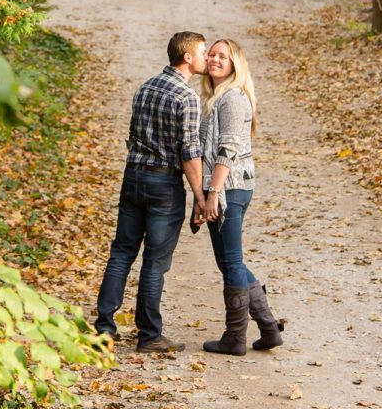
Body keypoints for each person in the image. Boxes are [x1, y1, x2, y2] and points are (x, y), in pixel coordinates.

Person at [95, 31, 208, 353]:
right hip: (163, 185)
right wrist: (200, 195)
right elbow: (189, 151)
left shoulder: (146, 87)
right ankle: (149, 335)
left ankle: (104, 328)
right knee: (155, 262)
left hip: (133, 177)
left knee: (121, 253)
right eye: (202, 52)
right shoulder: (186, 98)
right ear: (187, 57)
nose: (205, 57)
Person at [194, 38, 283, 356]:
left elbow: (228, 149)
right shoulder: (214, 96)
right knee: (228, 260)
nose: (215, 60)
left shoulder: (231, 97)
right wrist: (201, 195)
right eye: (212, 55)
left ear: (235, 64)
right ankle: (269, 328)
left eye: (223, 56)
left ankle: (235, 337)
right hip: (223, 186)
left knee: (231, 260)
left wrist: (214, 192)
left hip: (230, 187)